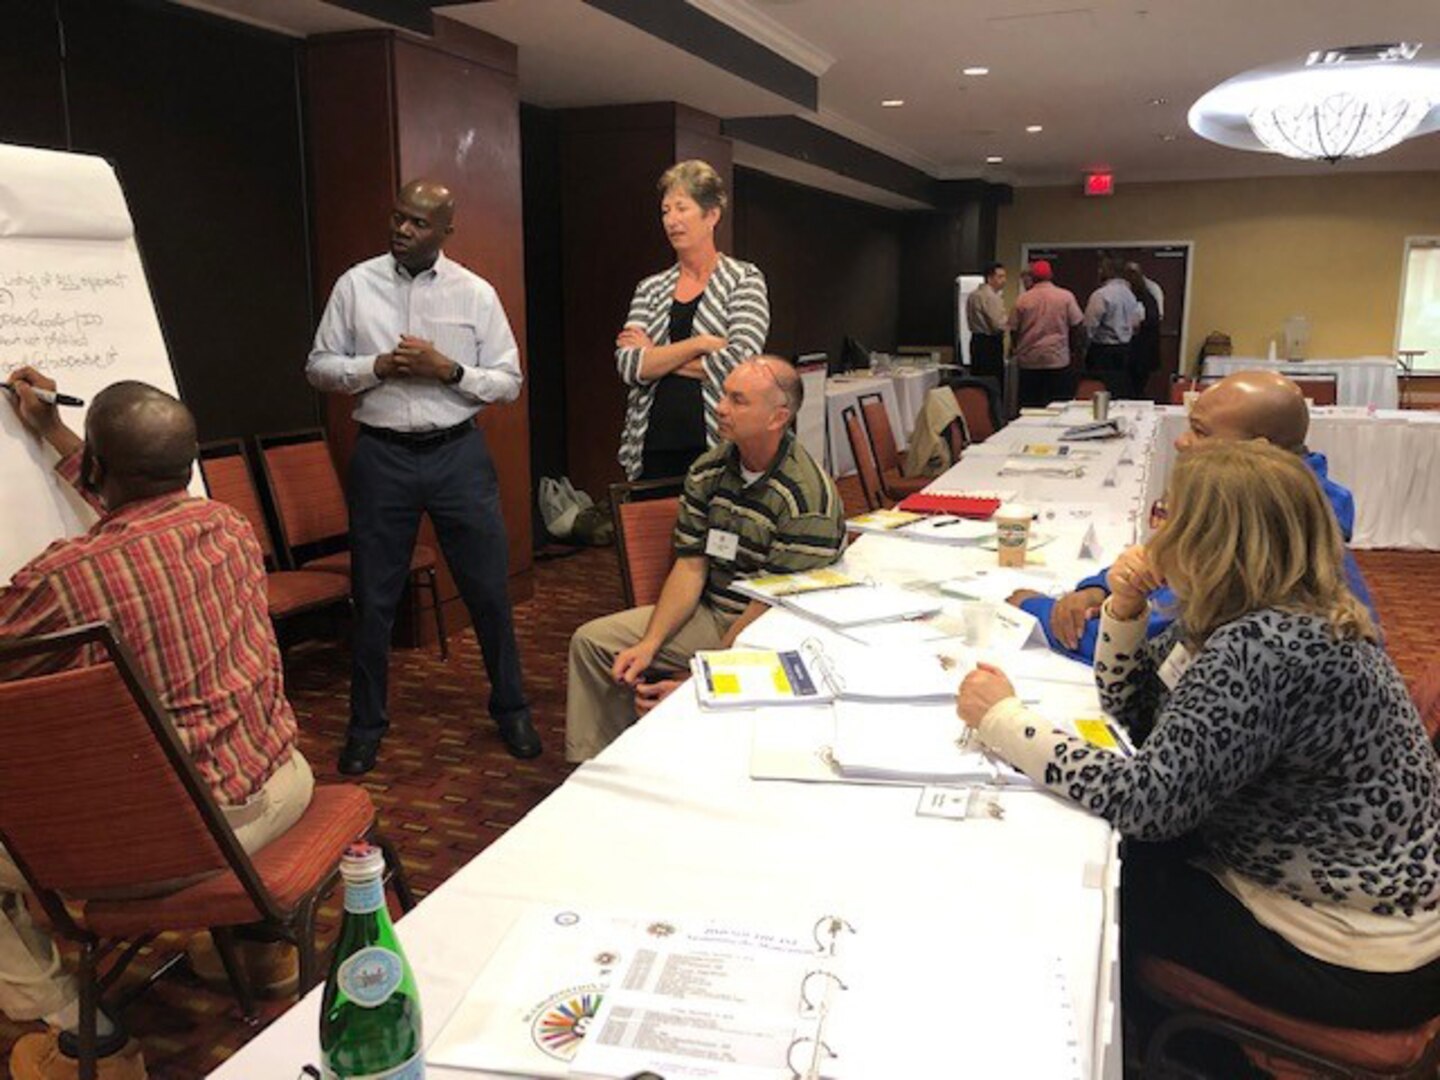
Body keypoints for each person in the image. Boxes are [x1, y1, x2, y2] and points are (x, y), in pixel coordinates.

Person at [960, 440, 1440, 1046]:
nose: (1156, 530)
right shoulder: (1271, 611)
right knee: (1116, 854)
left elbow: (1147, 804)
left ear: (1210, 537)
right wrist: (1125, 607)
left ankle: (1142, 1051)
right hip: (1374, 911)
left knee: (1094, 887)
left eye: (1169, 514)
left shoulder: (1262, 649)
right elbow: (1137, 712)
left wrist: (1004, 721)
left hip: (1359, 955)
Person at [1, 371, 313, 1080]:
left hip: (186, 838)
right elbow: (130, 505)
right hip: (281, 787)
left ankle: (87, 1041)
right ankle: (260, 952)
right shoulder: (228, 525)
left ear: (103, 470)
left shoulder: (63, 580)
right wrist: (52, 429)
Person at [307, 178, 540, 775]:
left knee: (488, 590)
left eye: (417, 223)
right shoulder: (355, 285)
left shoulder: (475, 293)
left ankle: (511, 708)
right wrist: (376, 366)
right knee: (375, 600)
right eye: (397, 217)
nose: (402, 230)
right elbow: (319, 368)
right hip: (381, 456)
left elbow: (508, 381)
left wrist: (449, 370)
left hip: (457, 454)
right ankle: (366, 726)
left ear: (444, 232)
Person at [567, 357, 844, 762]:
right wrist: (650, 643)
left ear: (777, 417)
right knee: (592, 643)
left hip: (775, 632)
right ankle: (601, 768)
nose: (720, 407)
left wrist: (703, 679)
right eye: (723, 394)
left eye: (738, 400)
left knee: (702, 687)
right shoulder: (708, 470)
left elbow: (766, 608)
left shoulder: (806, 499)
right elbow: (691, 566)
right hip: (714, 613)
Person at [1011, 370, 1377, 662]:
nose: (1182, 441)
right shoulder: (1280, 502)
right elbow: (1164, 563)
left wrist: (1034, 609)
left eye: (1199, 431)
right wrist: (1097, 588)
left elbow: (1156, 646)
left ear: (1256, 451)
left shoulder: (1264, 535)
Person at [616, 160, 769, 481]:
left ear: (711, 215)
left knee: (715, 531)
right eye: (665, 211)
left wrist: (657, 356)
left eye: (681, 208)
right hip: (651, 443)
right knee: (654, 531)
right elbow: (630, 366)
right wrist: (700, 344)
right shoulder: (651, 287)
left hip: (717, 440)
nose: (672, 220)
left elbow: (739, 364)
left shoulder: (743, 279)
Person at [1009, 259, 1084, 407]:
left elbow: (1014, 330)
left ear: (1033, 277)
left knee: (1030, 408)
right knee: (1059, 408)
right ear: (1050, 275)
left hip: (1030, 361)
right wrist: (1074, 350)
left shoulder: (1023, 299)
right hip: (1057, 359)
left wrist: (1016, 349)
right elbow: (1077, 325)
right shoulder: (1065, 296)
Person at [1082, 255, 1143, 398]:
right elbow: (1136, 323)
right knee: (1119, 391)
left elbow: (1090, 325)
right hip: (1125, 349)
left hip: (1102, 351)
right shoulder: (1130, 295)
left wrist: (1084, 346)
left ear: (1106, 271)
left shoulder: (1101, 294)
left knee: (1099, 392)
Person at [1122, 262, 1161, 401]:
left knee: (1130, 389)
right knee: (1137, 388)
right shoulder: (1149, 296)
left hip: (1137, 350)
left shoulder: (1139, 297)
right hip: (1144, 352)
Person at [965, 262, 1007, 381]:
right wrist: (1009, 324)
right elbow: (997, 324)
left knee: (978, 381)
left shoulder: (973, 295)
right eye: (1000, 276)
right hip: (990, 344)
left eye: (1004, 276)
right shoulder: (991, 297)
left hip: (976, 341)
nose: (1004, 280)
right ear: (989, 278)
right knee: (992, 382)